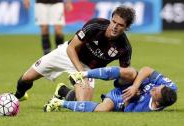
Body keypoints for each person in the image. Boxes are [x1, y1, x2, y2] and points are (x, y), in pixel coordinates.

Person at [14, 6, 136, 102]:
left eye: (120, 25)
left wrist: (132, 89)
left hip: (89, 69)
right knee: (27, 78)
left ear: (127, 27)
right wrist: (81, 72)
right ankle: (17, 96)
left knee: (83, 103)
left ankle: (63, 91)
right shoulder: (95, 25)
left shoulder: (124, 48)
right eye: (113, 21)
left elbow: (125, 74)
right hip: (68, 54)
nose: (114, 27)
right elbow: (71, 48)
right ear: (111, 19)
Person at [43, 66, 177, 112]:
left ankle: (59, 101)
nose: (156, 87)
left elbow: (125, 108)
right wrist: (135, 86)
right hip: (133, 82)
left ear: (157, 102)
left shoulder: (143, 109)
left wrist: (133, 97)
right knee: (130, 72)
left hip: (123, 97)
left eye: (155, 91)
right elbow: (147, 70)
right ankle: (83, 74)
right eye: (158, 86)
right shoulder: (170, 87)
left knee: (103, 109)